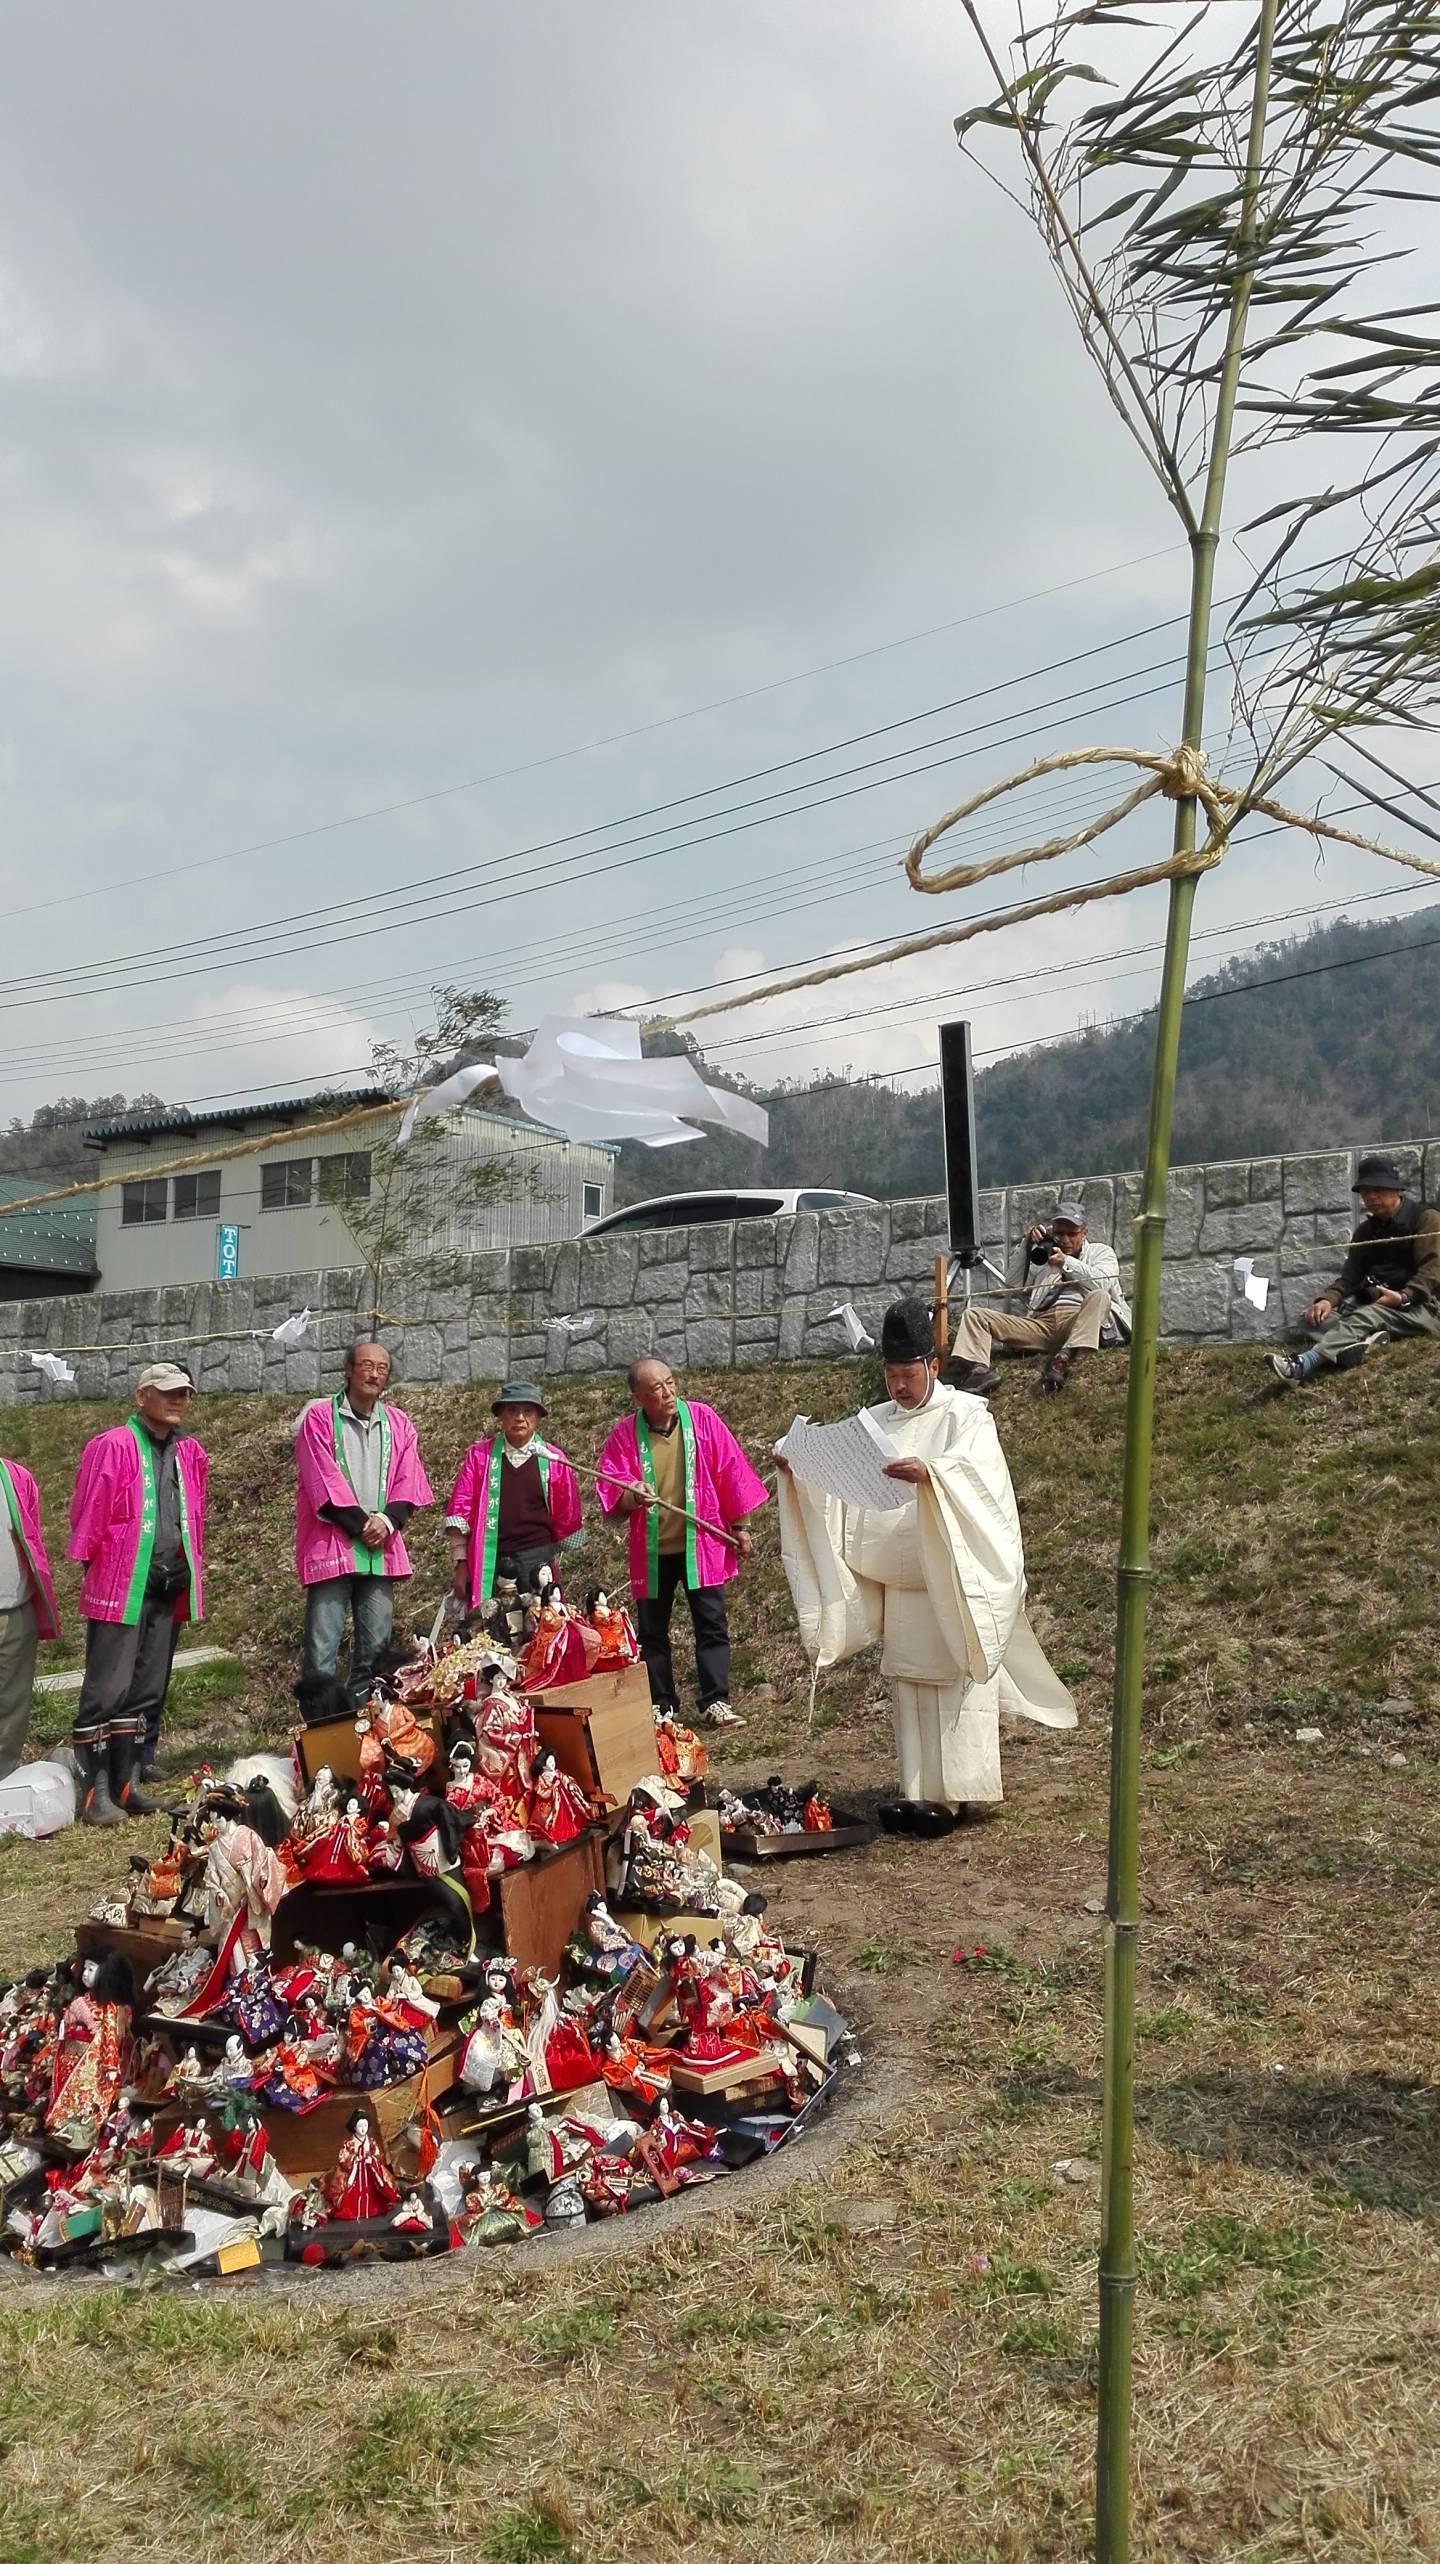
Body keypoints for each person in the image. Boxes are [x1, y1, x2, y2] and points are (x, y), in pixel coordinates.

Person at [775, 1295, 1076, 1835]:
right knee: (909, 1683)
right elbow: (838, 1468)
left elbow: (978, 1480)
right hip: (902, 1582)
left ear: (932, 1367)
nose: (898, 1385)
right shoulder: (875, 1421)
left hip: (949, 1580)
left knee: (951, 1679)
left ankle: (958, 1794)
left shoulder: (967, 1415)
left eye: (907, 1373)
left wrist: (933, 1475)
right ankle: (916, 1790)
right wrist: (799, 1464)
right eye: (891, 1374)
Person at [68, 1361, 208, 1826]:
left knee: (145, 1689)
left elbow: (195, 1513)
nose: (178, 1401)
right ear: (141, 1396)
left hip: (169, 1581)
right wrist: (100, 1566)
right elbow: (88, 1515)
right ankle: (94, 1794)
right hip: (122, 1582)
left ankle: (128, 1785)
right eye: (168, 1392)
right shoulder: (110, 1446)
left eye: (184, 1393)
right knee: (107, 1688)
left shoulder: (191, 1452)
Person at [596, 1358, 767, 1730]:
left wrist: (742, 1526)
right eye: (656, 1388)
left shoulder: (703, 1420)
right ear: (638, 1397)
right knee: (652, 1631)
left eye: (670, 1383)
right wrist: (632, 1494)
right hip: (653, 1549)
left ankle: (715, 1700)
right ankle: (661, 1703)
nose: (668, 1392)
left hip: (700, 1543)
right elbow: (612, 1490)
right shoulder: (625, 1435)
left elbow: (731, 1471)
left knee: (711, 1623)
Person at [294, 1342, 434, 1707]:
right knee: (322, 1648)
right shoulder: (320, 1418)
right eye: (367, 1365)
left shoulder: (399, 1423)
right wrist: (362, 1525)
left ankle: (367, 1728)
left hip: (381, 1546)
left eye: (382, 1368)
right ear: (348, 1370)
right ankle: (320, 1731)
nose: (374, 1374)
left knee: (376, 1647)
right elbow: (320, 1478)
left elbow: (410, 1478)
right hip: (333, 1541)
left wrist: (388, 1521)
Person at [1271, 1153, 1440, 1386]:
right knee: (1309, 1320)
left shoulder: (1426, 1220)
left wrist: (1402, 1297)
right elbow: (1350, 1276)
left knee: (1366, 1315)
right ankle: (1362, 1343)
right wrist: (1326, 1301)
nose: (1371, 1197)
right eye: (1365, 1191)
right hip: (1376, 1304)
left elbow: (1433, 1271)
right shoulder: (1365, 1231)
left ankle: (1302, 1364)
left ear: (1396, 1190)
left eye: (1378, 1189)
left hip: (1421, 1308)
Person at [949, 1198, 1129, 1395]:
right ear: (1052, 1231)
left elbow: (1103, 1283)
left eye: (1072, 1234)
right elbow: (1012, 1284)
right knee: (975, 1315)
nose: (1066, 1240)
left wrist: (1065, 1261)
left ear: (1084, 1234)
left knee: (1100, 1296)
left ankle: (1065, 1357)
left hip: (1078, 1320)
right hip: (1041, 1324)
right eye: (1059, 1233)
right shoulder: (1044, 1254)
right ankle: (979, 1370)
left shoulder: (1101, 1252)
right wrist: (1026, 1246)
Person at [444, 1382, 583, 1612]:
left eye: (527, 1411)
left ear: (538, 1417)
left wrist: (560, 1553)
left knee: (540, 1625)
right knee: (493, 1630)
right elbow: (461, 1511)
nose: (519, 1418)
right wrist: (460, 1563)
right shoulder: (480, 1457)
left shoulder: (553, 1459)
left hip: (537, 1558)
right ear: (500, 1416)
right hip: (491, 1558)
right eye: (511, 1411)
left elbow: (566, 1513)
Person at [0, 1454, 61, 1782]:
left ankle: (4, 1779)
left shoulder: (15, 1476)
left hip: (15, 1608)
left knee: (12, 1701)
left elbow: (32, 1536)